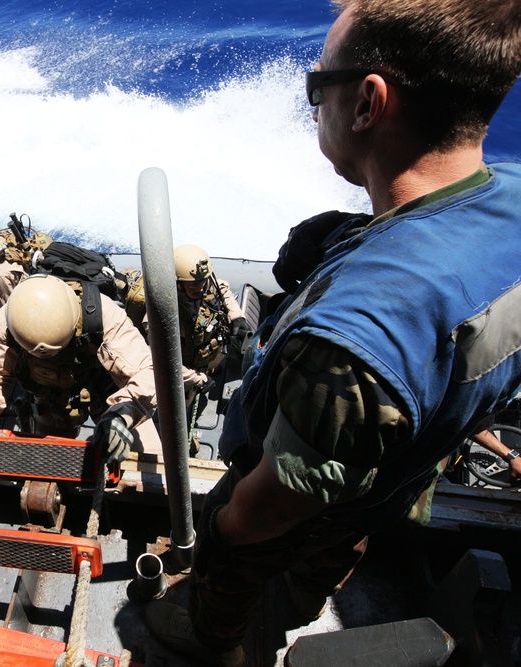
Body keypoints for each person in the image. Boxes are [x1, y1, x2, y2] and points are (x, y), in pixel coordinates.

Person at [144, 2, 521, 665]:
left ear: (368, 103)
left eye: (319, 86)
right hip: (392, 484)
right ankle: (301, 591)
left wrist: (221, 529)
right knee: (338, 541)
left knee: (246, 540)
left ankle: (216, 637)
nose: (313, 102)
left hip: (309, 497)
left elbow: (270, 509)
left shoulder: (352, 343)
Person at [0, 274, 157, 463]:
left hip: (108, 393)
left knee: (151, 461)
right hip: (51, 399)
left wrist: (121, 415)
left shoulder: (104, 316)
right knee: (49, 464)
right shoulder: (4, 325)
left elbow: (146, 373)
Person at [142, 244, 249, 408]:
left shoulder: (207, 286)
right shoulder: (160, 317)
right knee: (181, 406)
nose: (200, 289)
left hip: (211, 356)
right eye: (192, 285)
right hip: (186, 371)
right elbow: (163, 361)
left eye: (202, 282)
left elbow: (223, 291)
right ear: (177, 283)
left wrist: (237, 318)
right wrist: (197, 379)